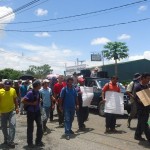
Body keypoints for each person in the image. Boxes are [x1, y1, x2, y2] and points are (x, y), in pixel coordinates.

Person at [21, 80, 44, 148]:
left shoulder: (38, 92)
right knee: (30, 128)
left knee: (40, 126)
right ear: (37, 85)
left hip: (37, 111)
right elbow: (23, 101)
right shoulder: (30, 93)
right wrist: (32, 103)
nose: (41, 85)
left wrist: (39, 100)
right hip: (31, 112)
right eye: (40, 84)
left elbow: (36, 100)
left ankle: (38, 141)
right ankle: (30, 143)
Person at [0, 80, 19, 148]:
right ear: (4, 85)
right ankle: (6, 139)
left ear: (10, 85)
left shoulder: (13, 90)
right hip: (3, 112)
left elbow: (15, 99)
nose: (7, 87)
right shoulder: (0, 91)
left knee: (12, 126)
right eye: (6, 86)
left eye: (9, 86)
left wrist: (17, 108)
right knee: (3, 127)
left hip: (11, 111)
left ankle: (10, 141)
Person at [134, 73, 150, 142]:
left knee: (141, 122)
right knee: (145, 124)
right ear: (143, 78)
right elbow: (138, 100)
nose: (149, 80)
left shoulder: (147, 86)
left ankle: (137, 135)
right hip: (141, 109)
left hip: (147, 108)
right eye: (148, 78)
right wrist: (147, 100)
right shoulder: (138, 87)